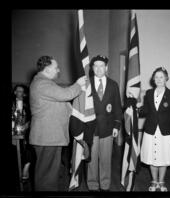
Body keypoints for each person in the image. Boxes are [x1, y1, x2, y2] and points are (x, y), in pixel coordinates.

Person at [29, 55, 86, 191]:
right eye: (56, 68)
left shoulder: (44, 83)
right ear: (47, 69)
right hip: (47, 137)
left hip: (50, 136)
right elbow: (64, 95)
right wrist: (78, 84)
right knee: (46, 176)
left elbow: (62, 103)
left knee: (50, 173)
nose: (58, 70)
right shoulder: (42, 83)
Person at [139, 67, 170, 192]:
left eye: (161, 77)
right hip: (151, 130)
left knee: (163, 157)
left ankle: (161, 182)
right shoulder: (149, 93)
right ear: (153, 79)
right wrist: (136, 107)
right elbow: (145, 111)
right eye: (156, 77)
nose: (159, 79)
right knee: (152, 156)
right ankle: (154, 181)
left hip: (166, 131)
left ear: (166, 78)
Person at [86, 55, 122, 191]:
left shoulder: (113, 84)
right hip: (91, 128)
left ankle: (105, 184)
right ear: (92, 68)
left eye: (102, 66)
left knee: (106, 159)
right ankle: (92, 184)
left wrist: (117, 126)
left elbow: (117, 107)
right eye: (96, 66)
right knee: (91, 159)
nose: (99, 69)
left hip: (108, 128)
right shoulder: (86, 84)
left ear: (106, 67)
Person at [12, 84, 34, 181]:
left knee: (29, 148)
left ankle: (26, 167)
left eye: (21, 91)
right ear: (14, 92)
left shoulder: (28, 105)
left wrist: (27, 125)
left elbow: (32, 118)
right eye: (18, 91)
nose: (19, 93)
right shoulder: (12, 103)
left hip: (25, 132)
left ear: (24, 94)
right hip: (13, 131)